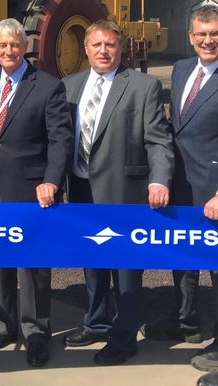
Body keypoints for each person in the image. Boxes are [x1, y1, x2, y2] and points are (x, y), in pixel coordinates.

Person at [142, 5, 218, 373]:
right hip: (181, 185)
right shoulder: (181, 70)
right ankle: (186, 321)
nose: (208, 40)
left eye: (215, 33)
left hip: (217, 195)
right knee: (182, 257)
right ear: (191, 36)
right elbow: (174, 129)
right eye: (201, 34)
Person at [61, 20, 174, 365]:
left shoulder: (143, 86)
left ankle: (124, 337)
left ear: (120, 48)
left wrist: (160, 179)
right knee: (92, 261)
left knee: (126, 267)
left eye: (110, 45)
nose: (103, 51)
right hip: (80, 189)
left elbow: (158, 139)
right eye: (96, 45)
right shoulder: (69, 86)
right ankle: (95, 323)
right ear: (86, 49)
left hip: (124, 192)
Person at [0, 18, 73, 368]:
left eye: (14, 44)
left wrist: (52, 180)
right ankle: (4, 326)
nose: (9, 51)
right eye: (2, 45)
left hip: (32, 189)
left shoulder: (47, 86)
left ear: (24, 46)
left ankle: (36, 332)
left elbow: (60, 139)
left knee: (32, 265)